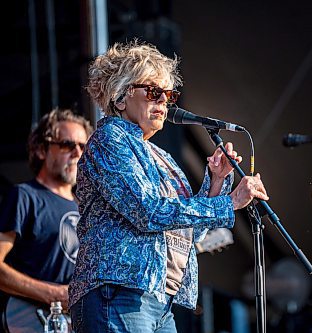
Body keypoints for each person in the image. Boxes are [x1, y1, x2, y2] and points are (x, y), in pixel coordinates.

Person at [68, 39, 269, 333]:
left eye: (168, 95)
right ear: (121, 97)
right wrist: (230, 203)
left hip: (160, 300)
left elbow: (188, 232)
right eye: (153, 92)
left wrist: (216, 184)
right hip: (119, 293)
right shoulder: (111, 139)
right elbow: (147, 211)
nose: (163, 101)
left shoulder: (163, 158)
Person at [0, 108, 93, 330]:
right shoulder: (24, 196)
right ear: (42, 150)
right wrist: (54, 294)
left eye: (83, 147)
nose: (77, 153)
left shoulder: (88, 210)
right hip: (33, 318)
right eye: (67, 145)